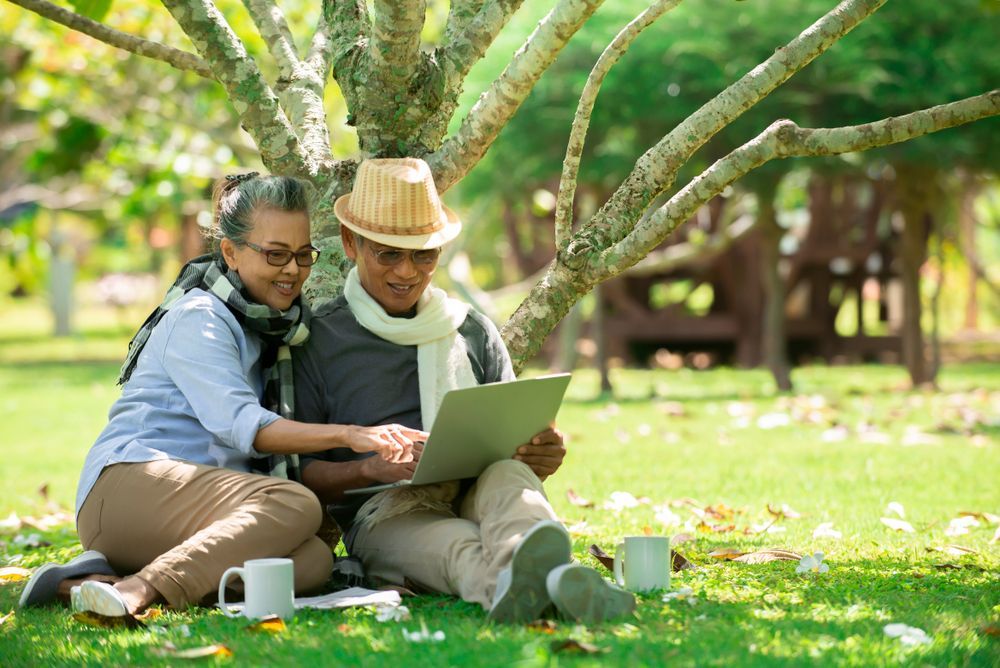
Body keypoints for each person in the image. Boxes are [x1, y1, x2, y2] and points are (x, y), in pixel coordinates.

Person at [19, 173, 419, 617]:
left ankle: (88, 583)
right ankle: (141, 586)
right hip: (128, 487)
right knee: (292, 503)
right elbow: (244, 426)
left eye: (302, 255)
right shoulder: (199, 317)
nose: (292, 270)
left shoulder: (272, 329)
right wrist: (351, 435)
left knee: (311, 561)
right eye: (276, 254)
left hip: (201, 509)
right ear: (230, 252)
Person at [293, 158, 635, 623]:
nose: (407, 272)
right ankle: (554, 584)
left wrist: (543, 453)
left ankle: (539, 580)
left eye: (423, 254)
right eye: (388, 253)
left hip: (480, 489)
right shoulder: (320, 340)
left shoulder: (470, 330)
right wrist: (369, 468)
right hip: (387, 511)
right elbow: (299, 475)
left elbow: (509, 430)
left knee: (514, 482)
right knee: (459, 550)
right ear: (352, 244)